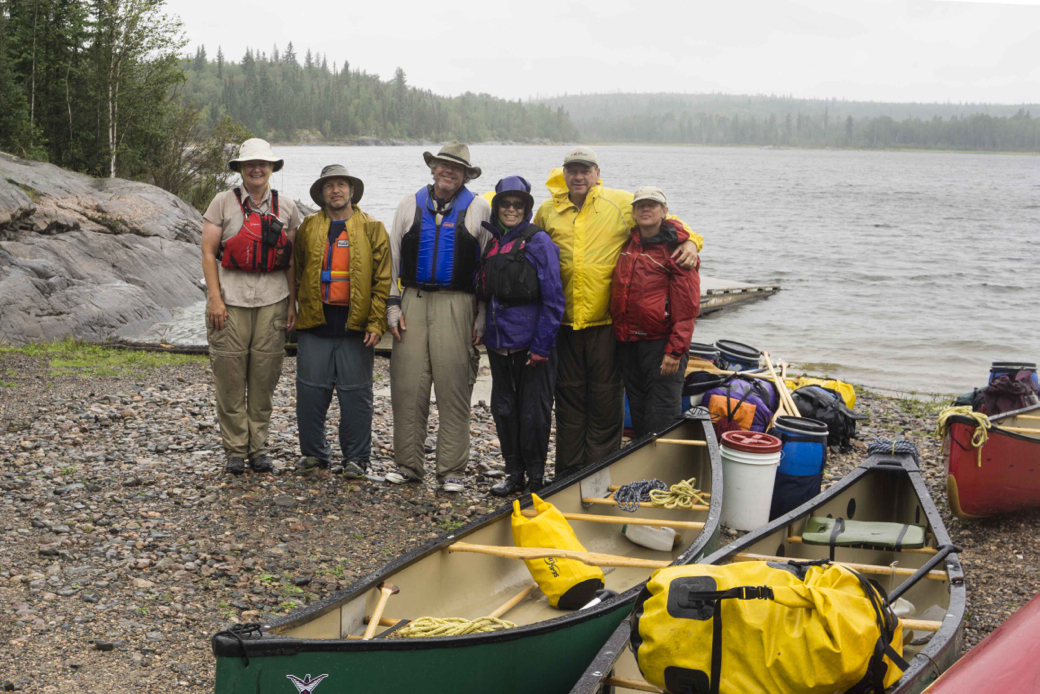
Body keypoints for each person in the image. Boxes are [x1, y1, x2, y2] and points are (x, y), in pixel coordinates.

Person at [534, 147, 703, 473]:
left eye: (585, 170)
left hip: (604, 324)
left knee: (605, 402)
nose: (579, 176)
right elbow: (532, 245)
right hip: (565, 324)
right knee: (568, 402)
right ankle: (568, 474)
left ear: (598, 173)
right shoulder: (547, 211)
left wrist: (693, 241)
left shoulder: (620, 203)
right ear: (564, 174)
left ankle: (599, 473)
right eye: (572, 170)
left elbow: (665, 221)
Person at [385, 142, 492, 492]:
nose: (448, 171)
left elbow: (487, 267)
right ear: (433, 168)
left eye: (456, 168)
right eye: (443, 165)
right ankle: (408, 466)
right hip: (413, 301)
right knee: (407, 387)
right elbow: (393, 259)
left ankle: (452, 470)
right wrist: (392, 304)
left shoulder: (480, 208)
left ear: (465, 174)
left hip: (457, 303)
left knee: (454, 388)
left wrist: (481, 316)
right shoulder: (407, 204)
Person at [200, 138, 301, 475]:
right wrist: (214, 297)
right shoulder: (221, 203)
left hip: (273, 300)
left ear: (272, 168)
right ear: (241, 168)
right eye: (250, 164)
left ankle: (257, 448)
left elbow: (291, 259)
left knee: (263, 378)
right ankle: (234, 450)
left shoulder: (286, 206)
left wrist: (293, 302)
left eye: (264, 164)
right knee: (229, 378)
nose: (257, 169)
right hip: (230, 300)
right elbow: (208, 252)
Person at [293, 165, 391, 479]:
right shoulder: (308, 226)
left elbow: (383, 280)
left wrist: (376, 322)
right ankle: (314, 454)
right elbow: (298, 272)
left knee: (356, 397)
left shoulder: (372, 227)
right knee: (310, 393)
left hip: (355, 327)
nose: (336, 190)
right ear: (321, 194)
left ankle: (357, 458)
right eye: (329, 186)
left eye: (341, 184)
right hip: (315, 325)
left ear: (351, 190)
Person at [475, 176, 565, 497]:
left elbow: (554, 298)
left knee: (534, 413)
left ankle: (537, 477)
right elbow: (486, 294)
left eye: (517, 204)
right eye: (505, 203)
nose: (510, 209)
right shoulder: (493, 242)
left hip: (531, 347)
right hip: (499, 345)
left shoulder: (538, 241)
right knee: (503, 410)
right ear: (497, 206)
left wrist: (542, 346)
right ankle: (514, 472)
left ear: (526, 208)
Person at [611, 186, 700, 437]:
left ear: (665, 212)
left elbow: (688, 307)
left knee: (662, 411)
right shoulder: (628, 243)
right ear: (634, 212)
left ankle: (663, 467)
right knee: (638, 407)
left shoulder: (678, 250)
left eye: (652, 205)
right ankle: (644, 463)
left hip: (661, 343)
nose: (646, 209)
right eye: (641, 205)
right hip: (629, 341)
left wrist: (676, 349)